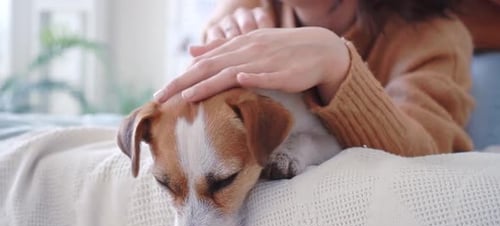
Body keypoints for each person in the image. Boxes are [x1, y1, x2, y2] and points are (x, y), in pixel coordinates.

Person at [154, 0, 476, 157]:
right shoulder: (247, 9)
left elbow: (429, 155)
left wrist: (338, 65)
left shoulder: (436, 37)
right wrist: (217, 41)